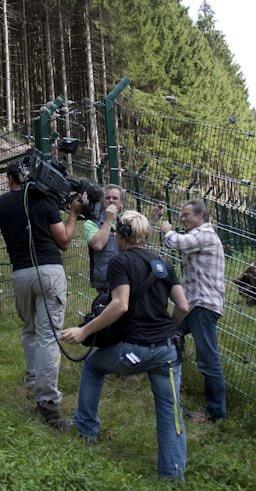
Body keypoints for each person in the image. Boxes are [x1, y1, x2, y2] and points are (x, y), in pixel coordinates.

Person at [62, 210, 189, 482]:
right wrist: (169, 327)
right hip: (168, 350)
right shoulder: (164, 263)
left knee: (94, 365)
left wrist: (83, 330)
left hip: (136, 349)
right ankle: (173, 474)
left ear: (122, 235)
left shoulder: (120, 262)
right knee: (170, 410)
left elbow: (120, 304)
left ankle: (85, 428)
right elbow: (183, 307)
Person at [0, 160, 83, 430]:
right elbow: (64, 240)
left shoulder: (2, 203)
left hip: (20, 274)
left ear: (10, 179)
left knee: (30, 331)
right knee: (49, 336)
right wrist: (72, 213)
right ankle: (48, 403)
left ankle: (32, 382)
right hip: (48, 271)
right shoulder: (43, 200)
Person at [160, 199, 226, 423]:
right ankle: (173, 385)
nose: (183, 218)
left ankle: (215, 412)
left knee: (208, 358)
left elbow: (178, 242)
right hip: (193, 303)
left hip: (203, 305)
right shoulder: (200, 235)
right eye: (182, 214)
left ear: (201, 215)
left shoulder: (205, 234)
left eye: (187, 214)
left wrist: (167, 231)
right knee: (172, 335)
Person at [84, 183, 163, 292]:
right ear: (103, 202)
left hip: (129, 278)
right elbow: (97, 245)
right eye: (107, 198)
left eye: (115, 198)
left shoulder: (126, 222)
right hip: (106, 282)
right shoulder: (91, 223)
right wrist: (108, 220)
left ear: (121, 203)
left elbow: (139, 241)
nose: (111, 200)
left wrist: (152, 221)